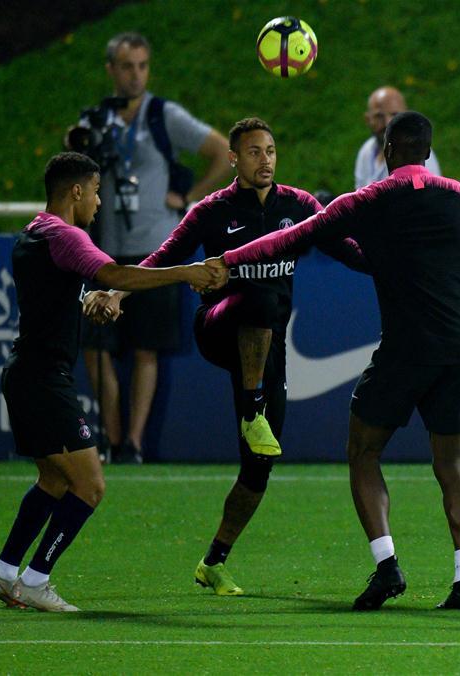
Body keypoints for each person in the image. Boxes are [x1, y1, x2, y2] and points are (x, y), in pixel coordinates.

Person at [212, 112, 460, 610]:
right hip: (458, 345)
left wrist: (228, 260)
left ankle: (387, 566)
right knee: (452, 464)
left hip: (405, 346)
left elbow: (291, 238)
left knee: (363, 450)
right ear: (428, 150)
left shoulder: (369, 199)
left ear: (386, 151)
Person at [86, 118, 369, 596]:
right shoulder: (212, 210)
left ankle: (213, 561)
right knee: (262, 298)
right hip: (218, 327)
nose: (266, 160)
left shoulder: (299, 206)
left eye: (272, 150)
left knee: (259, 464)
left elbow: (349, 251)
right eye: (254, 152)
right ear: (234, 159)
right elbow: (164, 256)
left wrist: (407, 266)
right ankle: (252, 407)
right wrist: (117, 293)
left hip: (266, 345)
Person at [0, 152, 224, 612]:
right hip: (45, 380)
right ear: (76, 191)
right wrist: (186, 272)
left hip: (28, 374)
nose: (98, 202)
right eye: (95, 192)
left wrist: (88, 298)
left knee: (52, 480)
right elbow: (116, 273)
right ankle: (35, 579)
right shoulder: (66, 235)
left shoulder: (35, 232)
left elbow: (57, 290)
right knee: (90, 486)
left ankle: (5, 571)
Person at [80, 32, 232, 464]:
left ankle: (134, 443)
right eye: (127, 67)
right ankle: (109, 437)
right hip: (104, 251)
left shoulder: (164, 115)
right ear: (111, 70)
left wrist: (188, 197)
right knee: (97, 349)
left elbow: (222, 152)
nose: (135, 75)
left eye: (142, 66)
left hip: (155, 251)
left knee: (146, 348)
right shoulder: (97, 121)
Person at [354, 86, 441, 189]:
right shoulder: (367, 151)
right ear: (368, 120)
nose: (387, 123)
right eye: (379, 116)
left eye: (395, 115)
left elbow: (424, 199)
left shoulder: (417, 155)